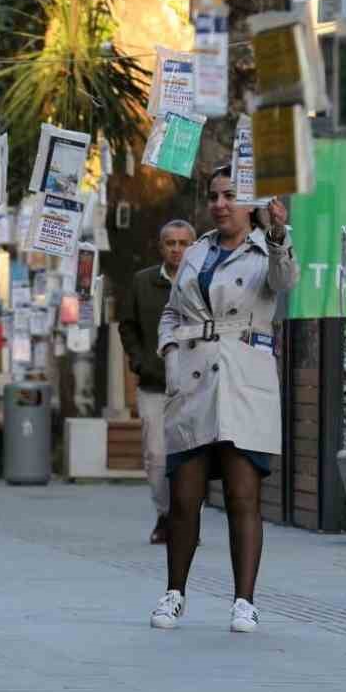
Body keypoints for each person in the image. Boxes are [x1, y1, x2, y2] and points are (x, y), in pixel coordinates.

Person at [151, 166, 297, 635]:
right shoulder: (196, 251)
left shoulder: (266, 248)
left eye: (231, 195)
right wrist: (170, 354)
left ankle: (244, 600)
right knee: (184, 496)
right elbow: (171, 312)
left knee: (242, 495)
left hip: (243, 376)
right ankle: (174, 593)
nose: (220, 203)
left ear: (250, 203)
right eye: (215, 195)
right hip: (192, 379)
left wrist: (278, 234)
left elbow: (285, 279)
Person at [118, 220, 196, 544]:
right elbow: (128, 326)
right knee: (156, 456)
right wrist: (139, 361)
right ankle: (166, 514)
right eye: (170, 243)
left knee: (193, 456)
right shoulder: (143, 282)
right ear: (161, 246)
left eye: (182, 243)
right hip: (153, 384)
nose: (176, 249)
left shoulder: (201, 281)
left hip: (195, 385)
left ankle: (187, 518)